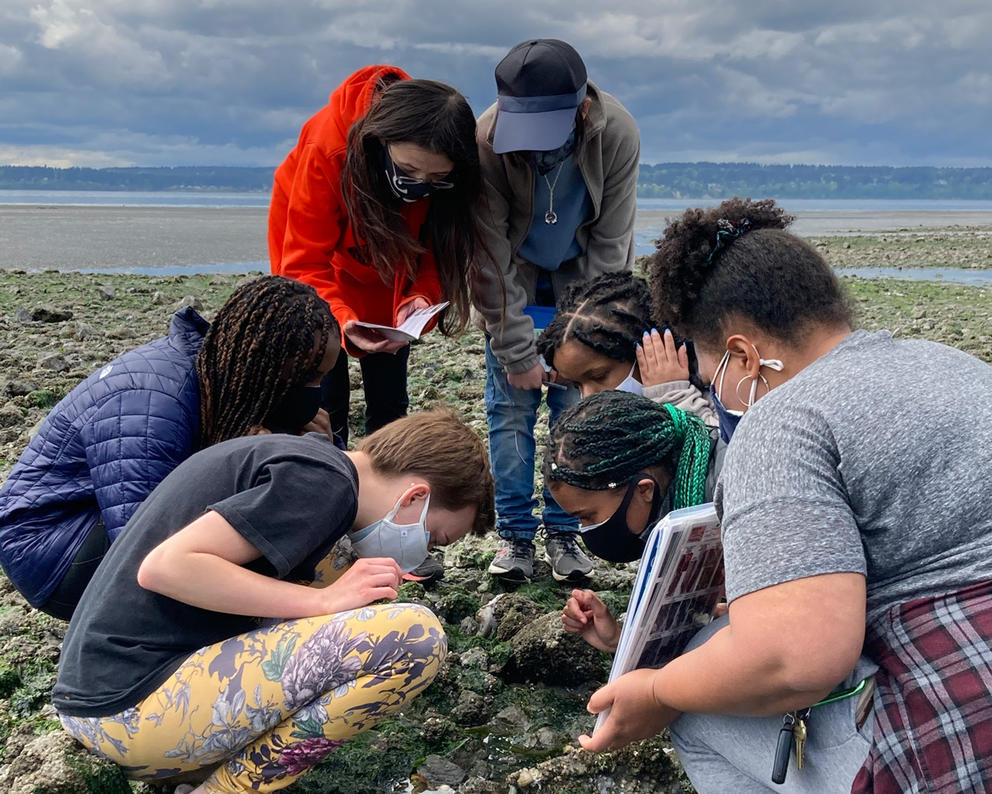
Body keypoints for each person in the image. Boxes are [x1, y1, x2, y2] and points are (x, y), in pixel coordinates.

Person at [577, 197, 992, 794]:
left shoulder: (784, 421)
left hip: (964, 717)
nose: (713, 386)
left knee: (698, 698)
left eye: (711, 368)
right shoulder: (949, 363)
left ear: (745, 355)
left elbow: (793, 661)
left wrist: (656, 691)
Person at [53, 408, 494, 794]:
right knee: (414, 638)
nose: (425, 551)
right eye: (434, 537)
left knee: (348, 567)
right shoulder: (323, 482)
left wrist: (334, 595)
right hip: (129, 713)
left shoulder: (312, 465)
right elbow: (166, 567)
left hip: (105, 704)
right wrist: (326, 602)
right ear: (415, 495)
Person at [0, 276, 339, 620]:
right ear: (264, 364)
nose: (315, 390)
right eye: (308, 376)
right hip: (53, 550)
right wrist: (242, 463)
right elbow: (138, 541)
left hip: (100, 522)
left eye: (322, 377)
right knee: (252, 502)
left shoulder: (228, 380)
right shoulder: (152, 403)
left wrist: (316, 450)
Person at [472, 39, 641, 584]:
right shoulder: (486, 140)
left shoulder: (617, 133)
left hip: (582, 285)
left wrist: (587, 341)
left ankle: (567, 532)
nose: (533, 151)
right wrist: (518, 351)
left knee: (579, 413)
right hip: (514, 286)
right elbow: (488, 256)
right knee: (510, 411)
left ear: (582, 109)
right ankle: (516, 538)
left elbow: (609, 251)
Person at [269, 65, 484, 445]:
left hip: (390, 266)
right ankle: (325, 476)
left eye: (434, 180)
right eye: (408, 171)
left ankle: (382, 477)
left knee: (389, 396)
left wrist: (420, 298)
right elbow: (303, 264)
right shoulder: (328, 148)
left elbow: (436, 252)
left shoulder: (447, 176)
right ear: (379, 140)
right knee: (322, 393)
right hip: (318, 268)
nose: (418, 188)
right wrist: (339, 319)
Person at [543, 390, 717, 652]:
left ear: (644, 491)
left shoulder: (730, 496)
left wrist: (651, 688)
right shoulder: (678, 500)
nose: (584, 529)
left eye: (587, 516)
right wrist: (618, 639)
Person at [536, 271, 716, 426]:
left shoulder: (714, 388)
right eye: (577, 386)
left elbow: (727, 452)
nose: (588, 397)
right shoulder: (601, 422)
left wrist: (674, 397)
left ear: (651, 348)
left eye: (599, 376)